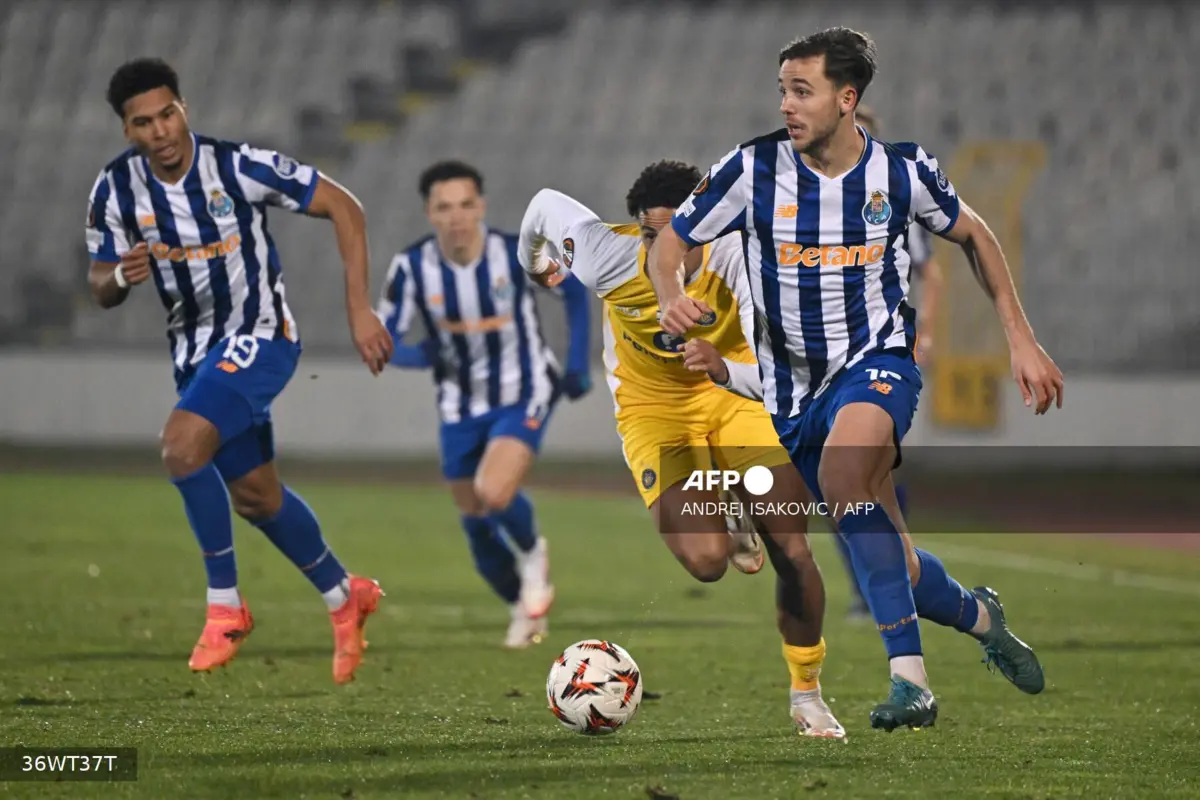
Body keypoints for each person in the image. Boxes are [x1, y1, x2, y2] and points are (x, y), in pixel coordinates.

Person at [648, 28, 1063, 731]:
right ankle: (982, 617)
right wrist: (669, 294)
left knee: (845, 481)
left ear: (846, 99)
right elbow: (670, 243)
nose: (786, 104)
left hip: (877, 363)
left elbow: (975, 234)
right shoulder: (753, 169)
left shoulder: (901, 172)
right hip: (792, 398)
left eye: (801, 91)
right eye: (783, 90)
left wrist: (1020, 338)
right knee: (895, 564)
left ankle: (911, 681)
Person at [85, 58, 392, 684]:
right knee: (256, 497)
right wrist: (119, 276)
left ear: (184, 109)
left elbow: (345, 207)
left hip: (261, 336)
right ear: (127, 130)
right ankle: (345, 594)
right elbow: (99, 283)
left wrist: (359, 308)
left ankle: (225, 607)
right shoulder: (114, 190)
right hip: (196, 356)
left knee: (181, 446)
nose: (161, 131)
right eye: (144, 122)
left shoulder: (237, 166)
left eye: (168, 114)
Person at [518, 160, 845, 739]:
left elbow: (786, 368)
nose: (662, 249)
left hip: (735, 394)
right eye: (650, 234)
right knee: (707, 562)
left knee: (792, 547)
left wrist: (727, 370)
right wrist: (536, 264)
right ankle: (727, 502)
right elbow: (543, 204)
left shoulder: (742, 259)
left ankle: (807, 695)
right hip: (654, 411)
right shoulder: (604, 256)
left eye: (679, 234)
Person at [378, 161, 593, 649]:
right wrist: (420, 355)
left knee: (493, 492)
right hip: (459, 405)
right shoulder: (411, 268)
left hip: (525, 389)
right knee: (474, 521)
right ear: (430, 213)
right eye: (444, 207)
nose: (456, 216)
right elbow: (384, 339)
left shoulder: (514, 255)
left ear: (481, 207)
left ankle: (534, 554)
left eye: (465, 204)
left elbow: (574, 292)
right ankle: (522, 608)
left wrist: (577, 362)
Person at [832, 103, 946, 620]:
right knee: (840, 479)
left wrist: (927, 334)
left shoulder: (893, 200)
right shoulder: (808, 203)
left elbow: (930, 272)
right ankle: (889, 583)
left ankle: (888, 586)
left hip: (880, 356)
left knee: (864, 470)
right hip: (826, 362)